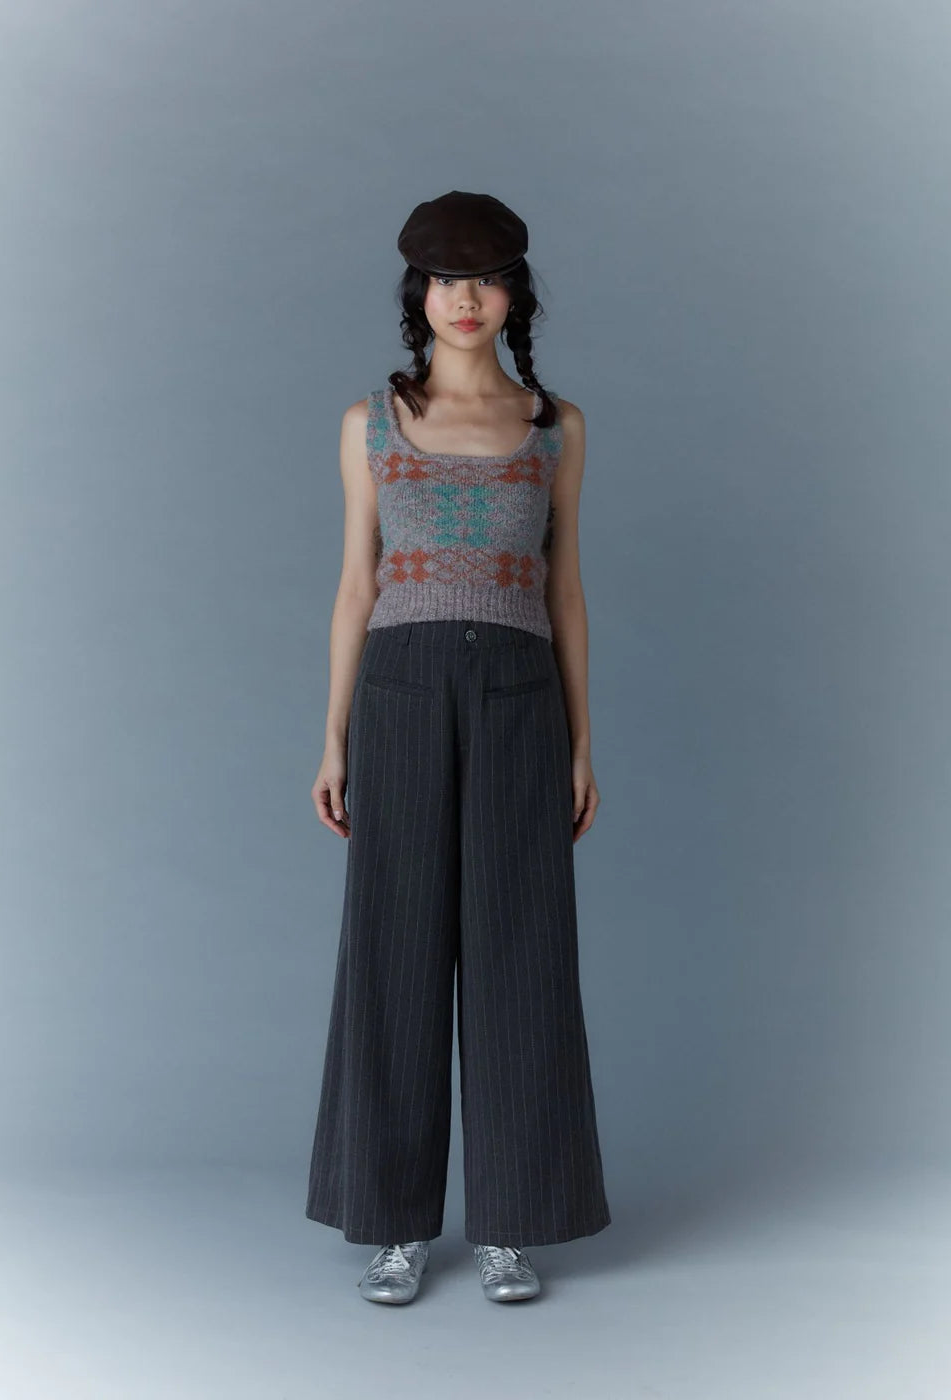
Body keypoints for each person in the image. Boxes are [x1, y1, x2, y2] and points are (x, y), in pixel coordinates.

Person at [305, 190, 611, 1304]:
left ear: (513, 294)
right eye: (445, 280)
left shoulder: (554, 425)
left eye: (484, 279)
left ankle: (510, 1223)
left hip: (521, 697)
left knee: (520, 950)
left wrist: (582, 740)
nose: (465, 298)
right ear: (420, 295)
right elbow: (355, 585)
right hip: (400, 690)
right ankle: (393, 1222)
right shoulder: (370, 423)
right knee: (392, 946)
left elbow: (565, 589)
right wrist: (332, 737)